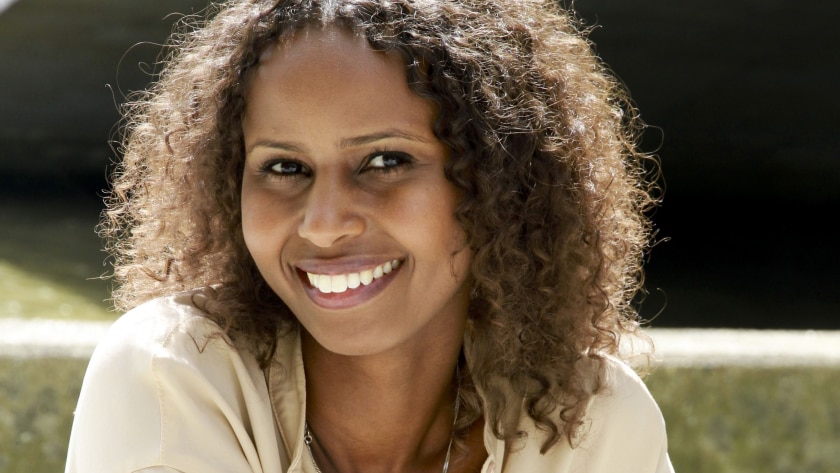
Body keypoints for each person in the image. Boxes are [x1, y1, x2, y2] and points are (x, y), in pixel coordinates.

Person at [65, 0, 673, 472]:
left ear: (501, 182)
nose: (324, 223)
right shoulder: (172, 373)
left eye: (385, 162)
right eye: (284, 167)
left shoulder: (592, 424)